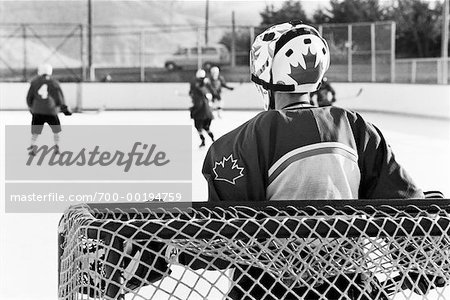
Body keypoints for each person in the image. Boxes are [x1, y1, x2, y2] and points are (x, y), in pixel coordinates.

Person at [200, 20, 430, 299]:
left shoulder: (239, 142)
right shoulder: (354, 127)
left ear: (263, 74)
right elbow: (408, 207)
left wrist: (165, 249)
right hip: (348, 288)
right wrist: (418, 263)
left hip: (264, 291)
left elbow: (220, 241)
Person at [26, 63, 71, 156]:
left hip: (37, 111)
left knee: (35, 131)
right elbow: (59, 97)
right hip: (51, 111)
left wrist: (31, 107)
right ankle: (57, 148)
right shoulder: (54, 82)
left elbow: (29, 97)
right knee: (56, 131)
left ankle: (32, 147)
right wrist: (63, 107)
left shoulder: (34, 82)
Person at [189, 69, 215, 148]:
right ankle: (213, 140)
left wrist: (192, 111)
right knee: (206, 128)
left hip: (200, 114)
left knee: (199, 128)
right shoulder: (206, 87)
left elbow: (198, 105)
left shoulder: (197, 90)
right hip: (208, 114)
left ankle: (203, 141)